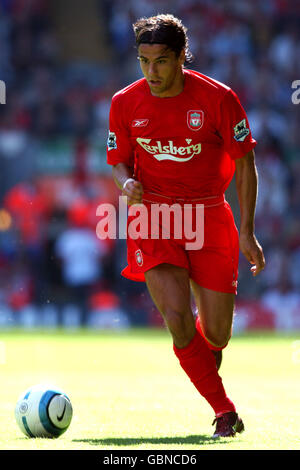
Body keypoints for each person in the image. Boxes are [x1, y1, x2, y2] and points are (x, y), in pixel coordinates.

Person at [106, 14, 265, 438]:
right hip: (154, 216)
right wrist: (127, 183)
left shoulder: (218, 98)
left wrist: (247, 231)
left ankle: (201, 359)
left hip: (210, 215)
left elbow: (246, 162)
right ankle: (224, 411)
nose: (150, 71)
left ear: (180, 58)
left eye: (159, 61)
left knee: (216, 335)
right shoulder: (125, 102)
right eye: (143, 61)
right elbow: (118, 160)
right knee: (177, 317)